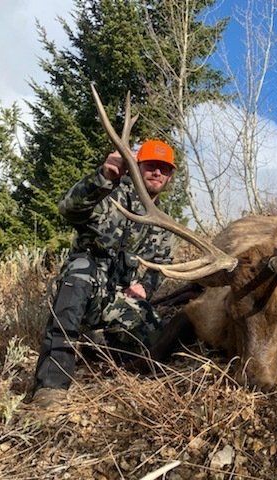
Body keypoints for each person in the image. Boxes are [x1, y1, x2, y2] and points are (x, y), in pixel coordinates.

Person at [31, 139, 176, 407]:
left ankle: (98, 348)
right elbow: (69, 209)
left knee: (158, 336)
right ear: (136, 166)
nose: (157, 173)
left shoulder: (164, 224)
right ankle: (51, 384)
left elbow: (161, 265)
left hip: (117, 299)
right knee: (81, 270)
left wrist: (145, 287)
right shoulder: (109, 195)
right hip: (81, 292)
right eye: (151, 166)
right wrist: (103, 177)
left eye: (164, 169)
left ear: (170, 176)